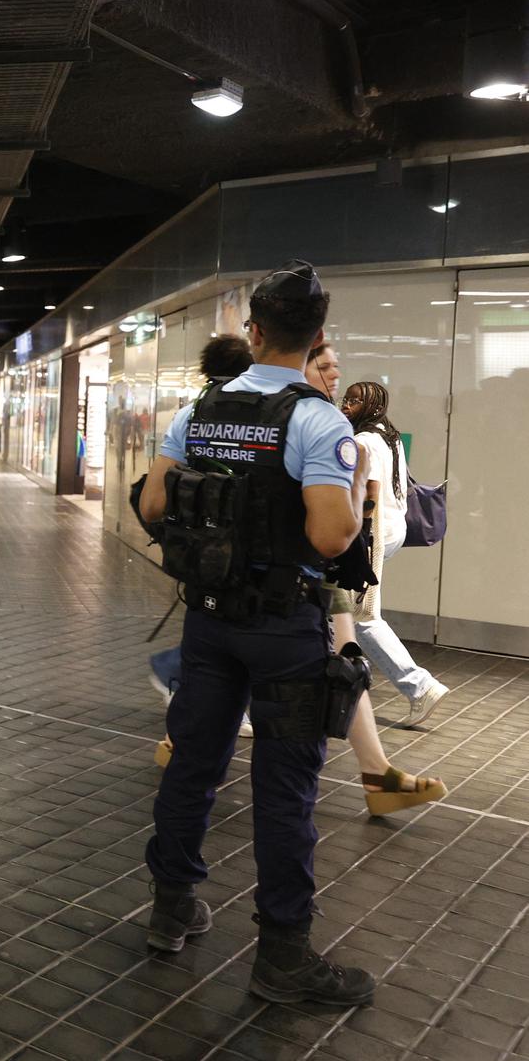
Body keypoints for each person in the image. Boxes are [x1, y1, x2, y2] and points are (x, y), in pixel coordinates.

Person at [137, 260, 377, 1007]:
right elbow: (332, 536)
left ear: (254, 331)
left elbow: (150, 505)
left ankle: (171, 907)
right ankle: (282, 956)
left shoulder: (200, 409)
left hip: (209, 619)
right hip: (282, 625)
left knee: (192, 766)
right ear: (316, 340)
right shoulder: (316, 418)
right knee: (283, 791)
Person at [150, 334, 257, 749]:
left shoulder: (192, 414)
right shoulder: (293, 415)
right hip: (262, 577)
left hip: (201, 560)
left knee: (209, 646)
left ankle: (183, 736)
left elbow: (152, 502)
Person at [343, 382, 451, 723]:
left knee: (363, 617)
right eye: (346, 397)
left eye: (356, 400)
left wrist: (356, 543)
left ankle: (419, 686)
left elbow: (367, 493)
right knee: (339, 614)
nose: (347, 404)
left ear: (372, 404)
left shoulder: (362, 441)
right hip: (392, 529)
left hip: (371, 533)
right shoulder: (389, 436)